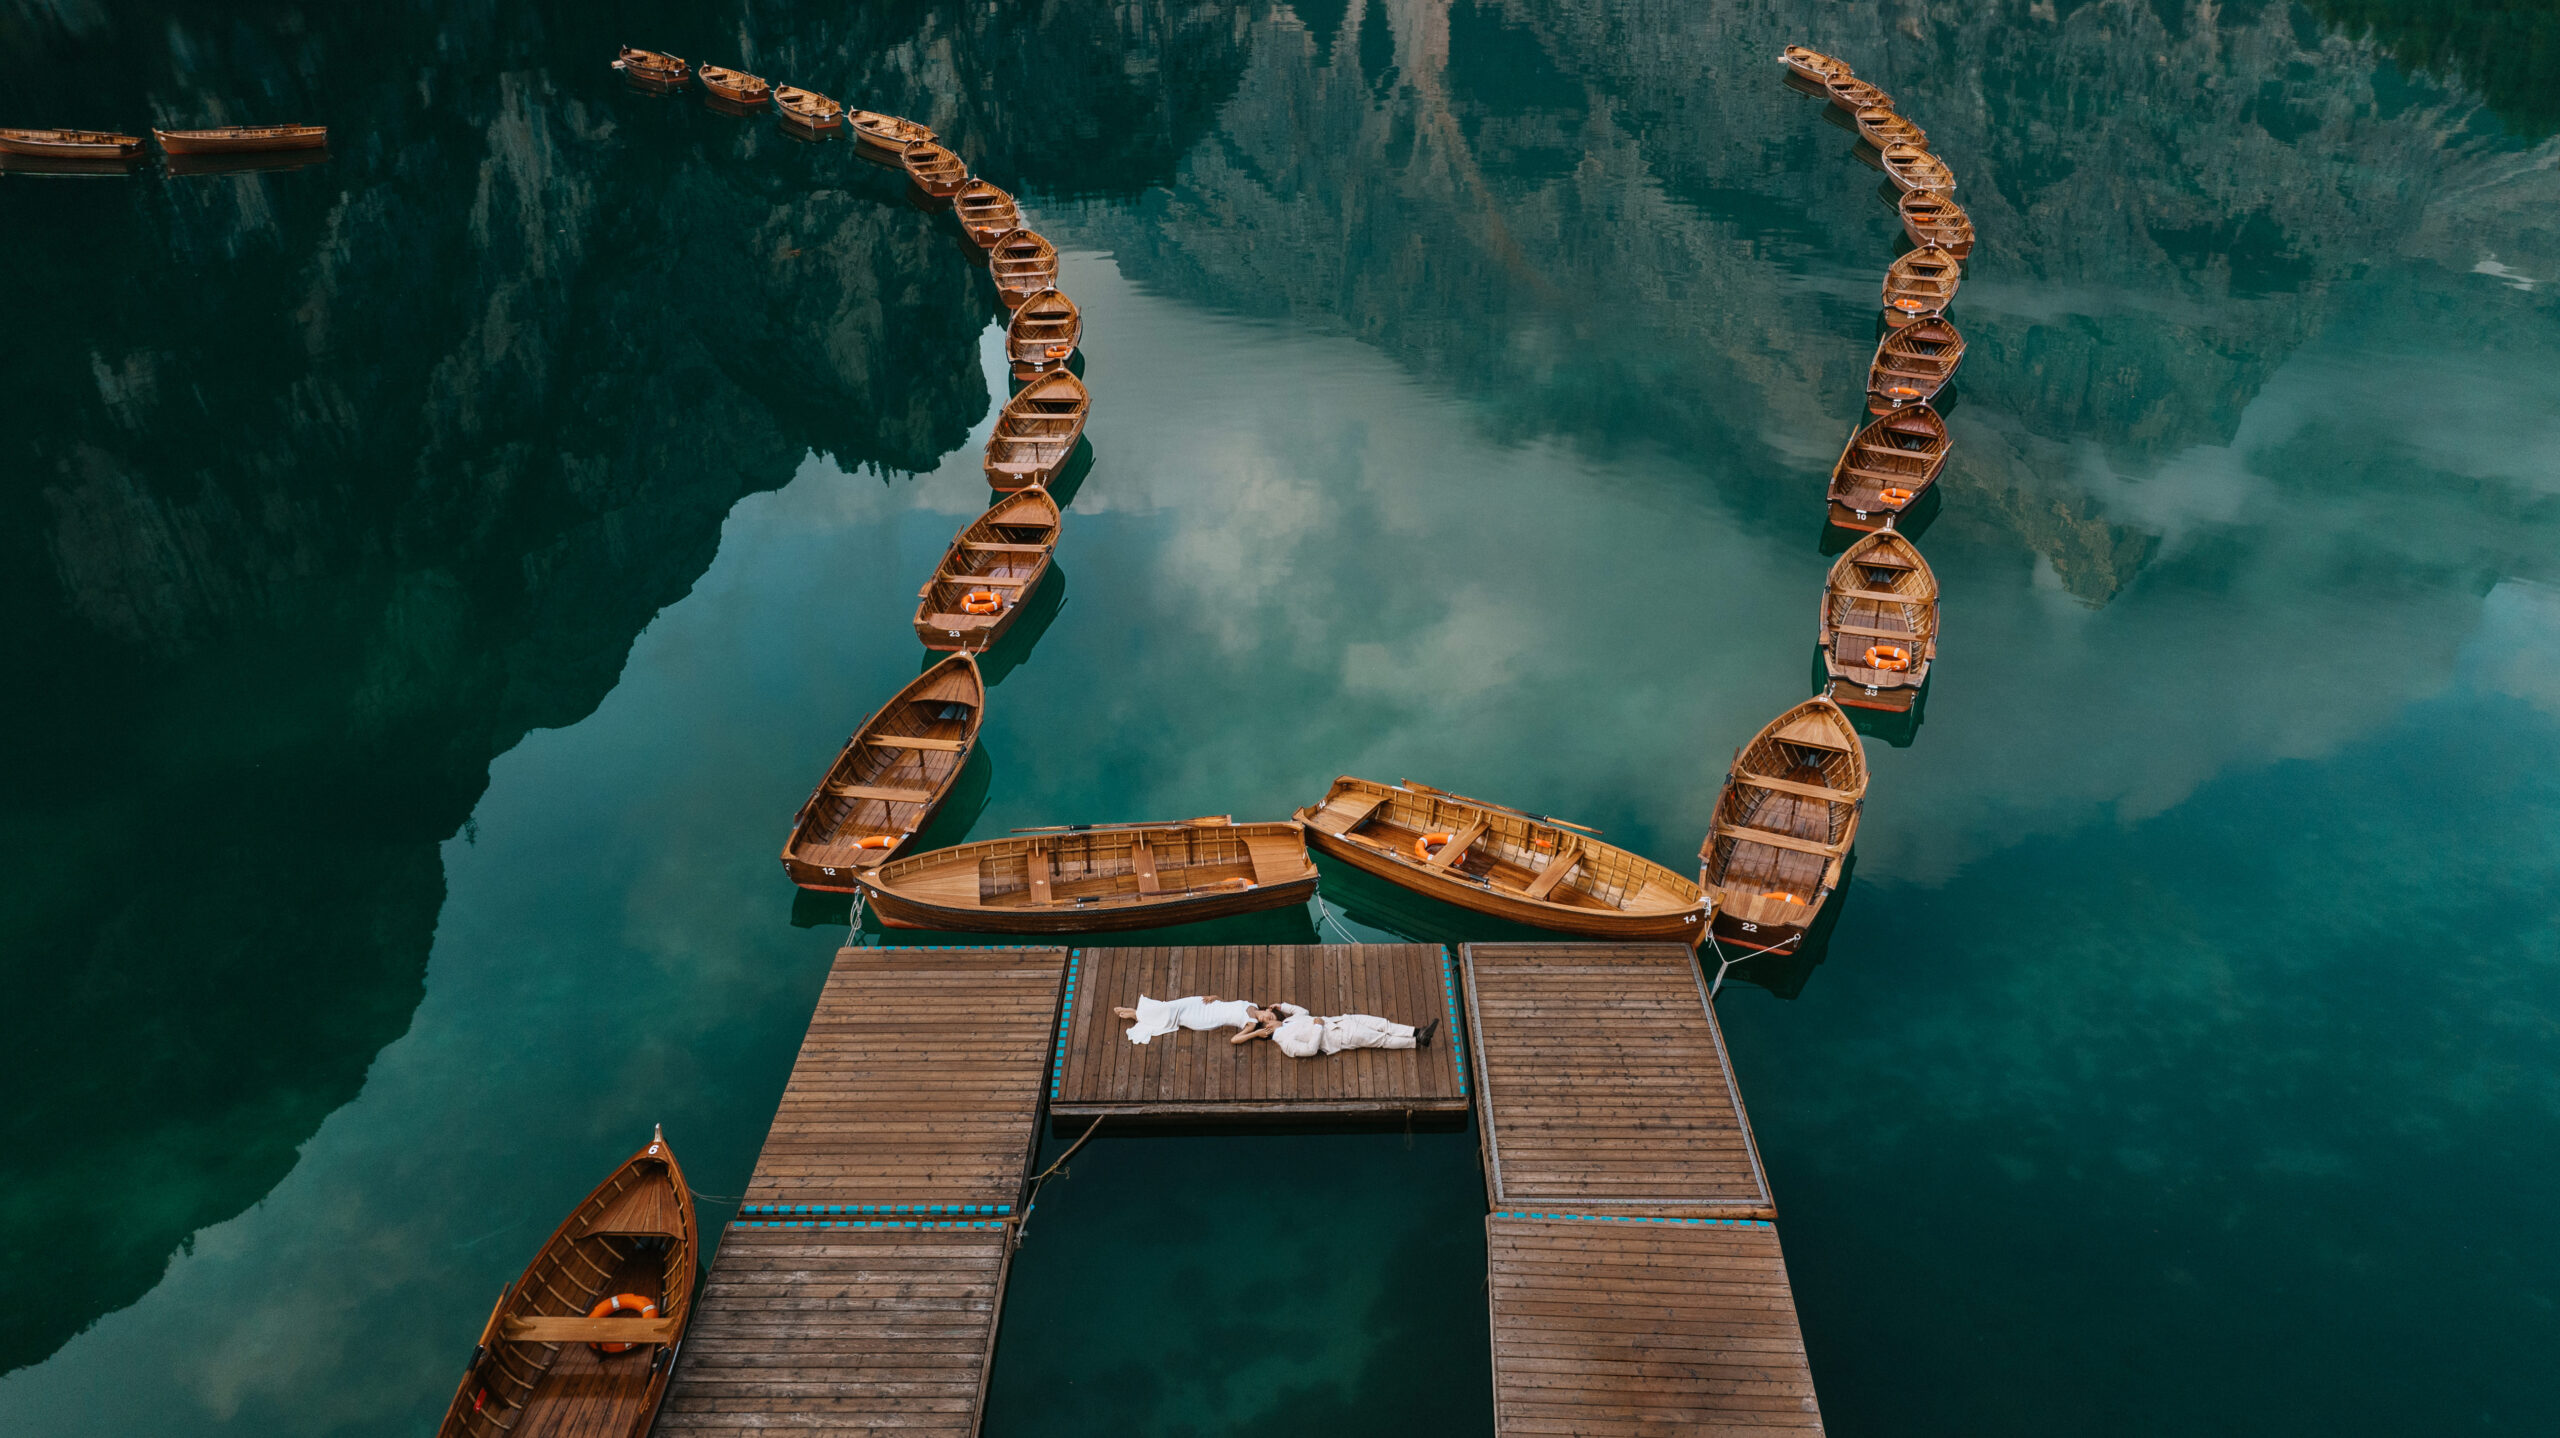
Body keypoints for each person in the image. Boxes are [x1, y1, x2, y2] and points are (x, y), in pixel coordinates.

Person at [1259, 1002, 1436, 1057]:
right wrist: (1318, 1027)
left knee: (1384, 1024)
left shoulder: (1289, 1021)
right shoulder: (1286, 1044)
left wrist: (1282, 1006)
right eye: (1269, 1017)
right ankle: (1417, 1040)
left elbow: (1302, 1012)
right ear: (1267, 1028)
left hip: (1344, 1020)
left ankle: (1418, 1031)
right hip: (1340, 1035)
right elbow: (1310, 1050)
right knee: (1381, 1039)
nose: (1271, 1013)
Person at [1113, 995, 1263, 1044]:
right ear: (1269, 1009)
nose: (1267, 1018)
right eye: (1271, 1016)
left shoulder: (1252, 1024)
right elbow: (1230, 1005)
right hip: (1207, 1004)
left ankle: (1137, 1015)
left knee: (1174, 1016)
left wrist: (1255, 1033)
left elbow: (1234, 1040)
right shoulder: (1253, 1005)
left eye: (1268, 1021)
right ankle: (1139, 1013)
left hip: (1207, 1018)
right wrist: (1216, 997)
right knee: (1172, 1006)